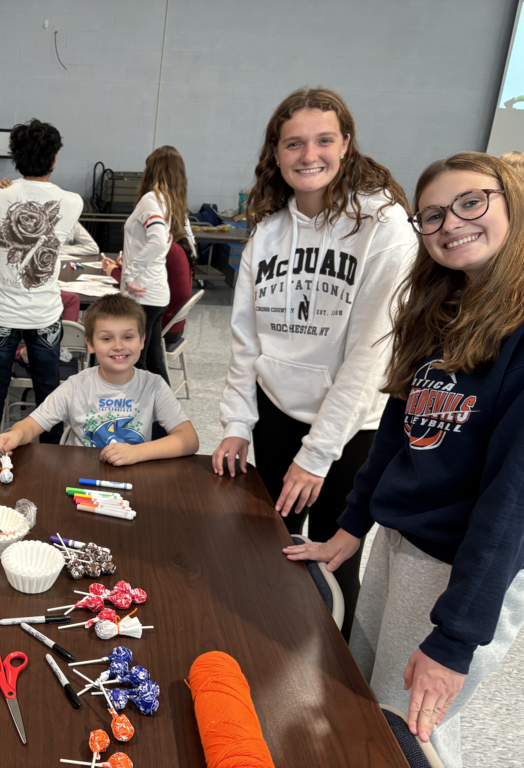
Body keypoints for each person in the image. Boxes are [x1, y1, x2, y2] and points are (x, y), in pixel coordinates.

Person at [284, 152, 524, 768]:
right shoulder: (445, 308)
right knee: (370, 703)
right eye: (433, 215)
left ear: (512, 201)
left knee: (415, 730)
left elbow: (512, 506)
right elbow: (398, 431)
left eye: (472, 202)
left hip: (459, 570)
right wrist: (353, 526)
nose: (451, 224)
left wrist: (455, 638)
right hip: (399, 546)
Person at [212, 87, 417, 639]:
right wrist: (236, 423)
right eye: (294, 143)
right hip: (279, 411)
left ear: (346, 144)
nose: (309, 155)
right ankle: (268, 643)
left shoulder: (384, 226)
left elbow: (371, 354)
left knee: (332, 554)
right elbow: (244, 341)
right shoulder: (268, 232)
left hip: (349, 428)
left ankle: (330, 674)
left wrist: (318, 454)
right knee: (272, 541)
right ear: (275, 154)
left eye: (324, 139)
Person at [0, 119, 84, 446]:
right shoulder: (72, 201)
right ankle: (51, 457)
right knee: (48, 390)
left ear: (15, 158)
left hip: (0, 313)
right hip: (44, 314)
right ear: (54, 159)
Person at [0, 294, 198, 462]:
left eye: (128, 337)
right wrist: (15, 435)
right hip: (80, 477)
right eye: (107, 338)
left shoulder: (154, 386)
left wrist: (137, 452)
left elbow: (189, 439)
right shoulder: (76, 385)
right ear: (90, 344)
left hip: (132, 477)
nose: (118, 346)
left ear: (142, 340)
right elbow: (31, 425)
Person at [120, 145, 191, 385]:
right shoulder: (169, 201)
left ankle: (148, 418)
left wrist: (129, 272)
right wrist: (130, 258)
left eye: (147, 164)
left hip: (142, 293)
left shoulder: (151, 200)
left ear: (155, 169)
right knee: (152, 359)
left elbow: (158, 239)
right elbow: (154, 243)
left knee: (137, 362)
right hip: (155, 292)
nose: (143, 169)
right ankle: (165, 417)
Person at [105, 238, 193, 347]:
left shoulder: (164, 248)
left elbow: (139, 287)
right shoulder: (173, 246)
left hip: (162, 324)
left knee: (105, 327)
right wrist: (118, 267)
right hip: (173, 324)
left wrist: (114, 271)